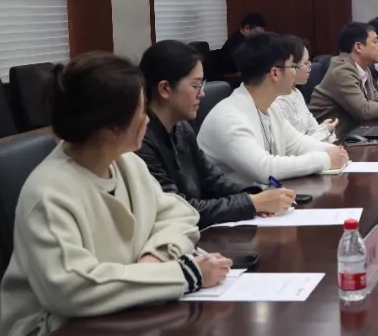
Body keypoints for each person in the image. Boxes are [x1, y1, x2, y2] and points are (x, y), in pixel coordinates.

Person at [0, 52, 231, 336]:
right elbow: (72, 288)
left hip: (123, 328)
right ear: (110, 128)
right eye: (140, 111)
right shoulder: (50, 192)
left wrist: (154, 258)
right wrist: (186, 273)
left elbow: (178, 215)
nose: (147, 119)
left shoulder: (126, 164)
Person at [136, 40, 296, 228]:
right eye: (195, 85)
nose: (202, 94)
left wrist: (256, 195)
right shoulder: (140, 141)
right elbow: (178, 209)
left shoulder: (182, 128)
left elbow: (213, 181)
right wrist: (251, 203)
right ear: (165, 89)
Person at [197, 32, 348, 187]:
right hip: (240, 200)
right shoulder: (228, 118)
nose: (295, 73)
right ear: (275, 73)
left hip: (267, 196)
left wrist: (334, 151)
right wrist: (325, 159)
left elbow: (296, 143)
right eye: (293, 66)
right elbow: (265, 169)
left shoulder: (271, 108)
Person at [310, 22, 378, 140]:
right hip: (331, 138)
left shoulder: (363, 67)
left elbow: (374, 97)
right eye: (375, 42)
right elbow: (364, 110)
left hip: (354, 131)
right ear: (358, 47)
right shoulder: (342, 71)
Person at [271, 36, 337, 142]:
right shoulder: (277, 101)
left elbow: (313, 128)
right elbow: (295, 145)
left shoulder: (296, 92)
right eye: (306, 63)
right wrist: (324, 130)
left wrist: (325, 130)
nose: (309, 68)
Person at [216, 12, 266, 77]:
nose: (259, 37)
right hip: (231, 77)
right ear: (247, 28)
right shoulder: (237, 44)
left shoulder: (242, 39)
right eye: (257, 33)